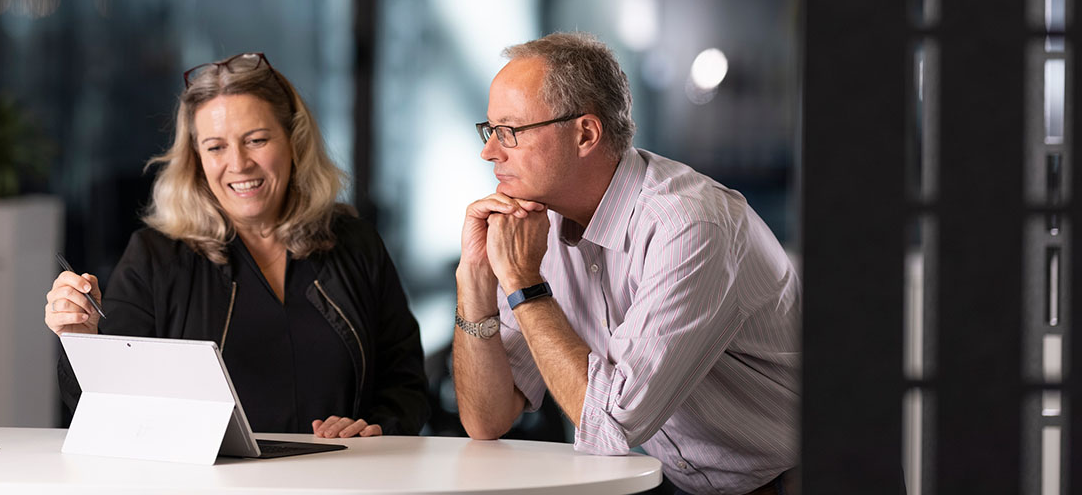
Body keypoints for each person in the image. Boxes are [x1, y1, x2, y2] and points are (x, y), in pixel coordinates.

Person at [452, 33, 799, 495]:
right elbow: (487, 419)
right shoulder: (537, 226)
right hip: (685, 482)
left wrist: (524, 285)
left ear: (585, 134)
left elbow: (611, 425)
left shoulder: (689, 225)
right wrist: (474, 281)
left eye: (510, 131)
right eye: (490, 130)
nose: (490, 151)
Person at [45, 52, 429, 438]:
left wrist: (377, 427)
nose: (239, 163)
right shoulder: (154, 257)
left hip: (343, 481)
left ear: (294, 141)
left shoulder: (356, 244)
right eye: (216, 147)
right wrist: (82, 339)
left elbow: (406, 383)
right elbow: (106, 407)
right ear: (196, 159)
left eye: (257, 140)